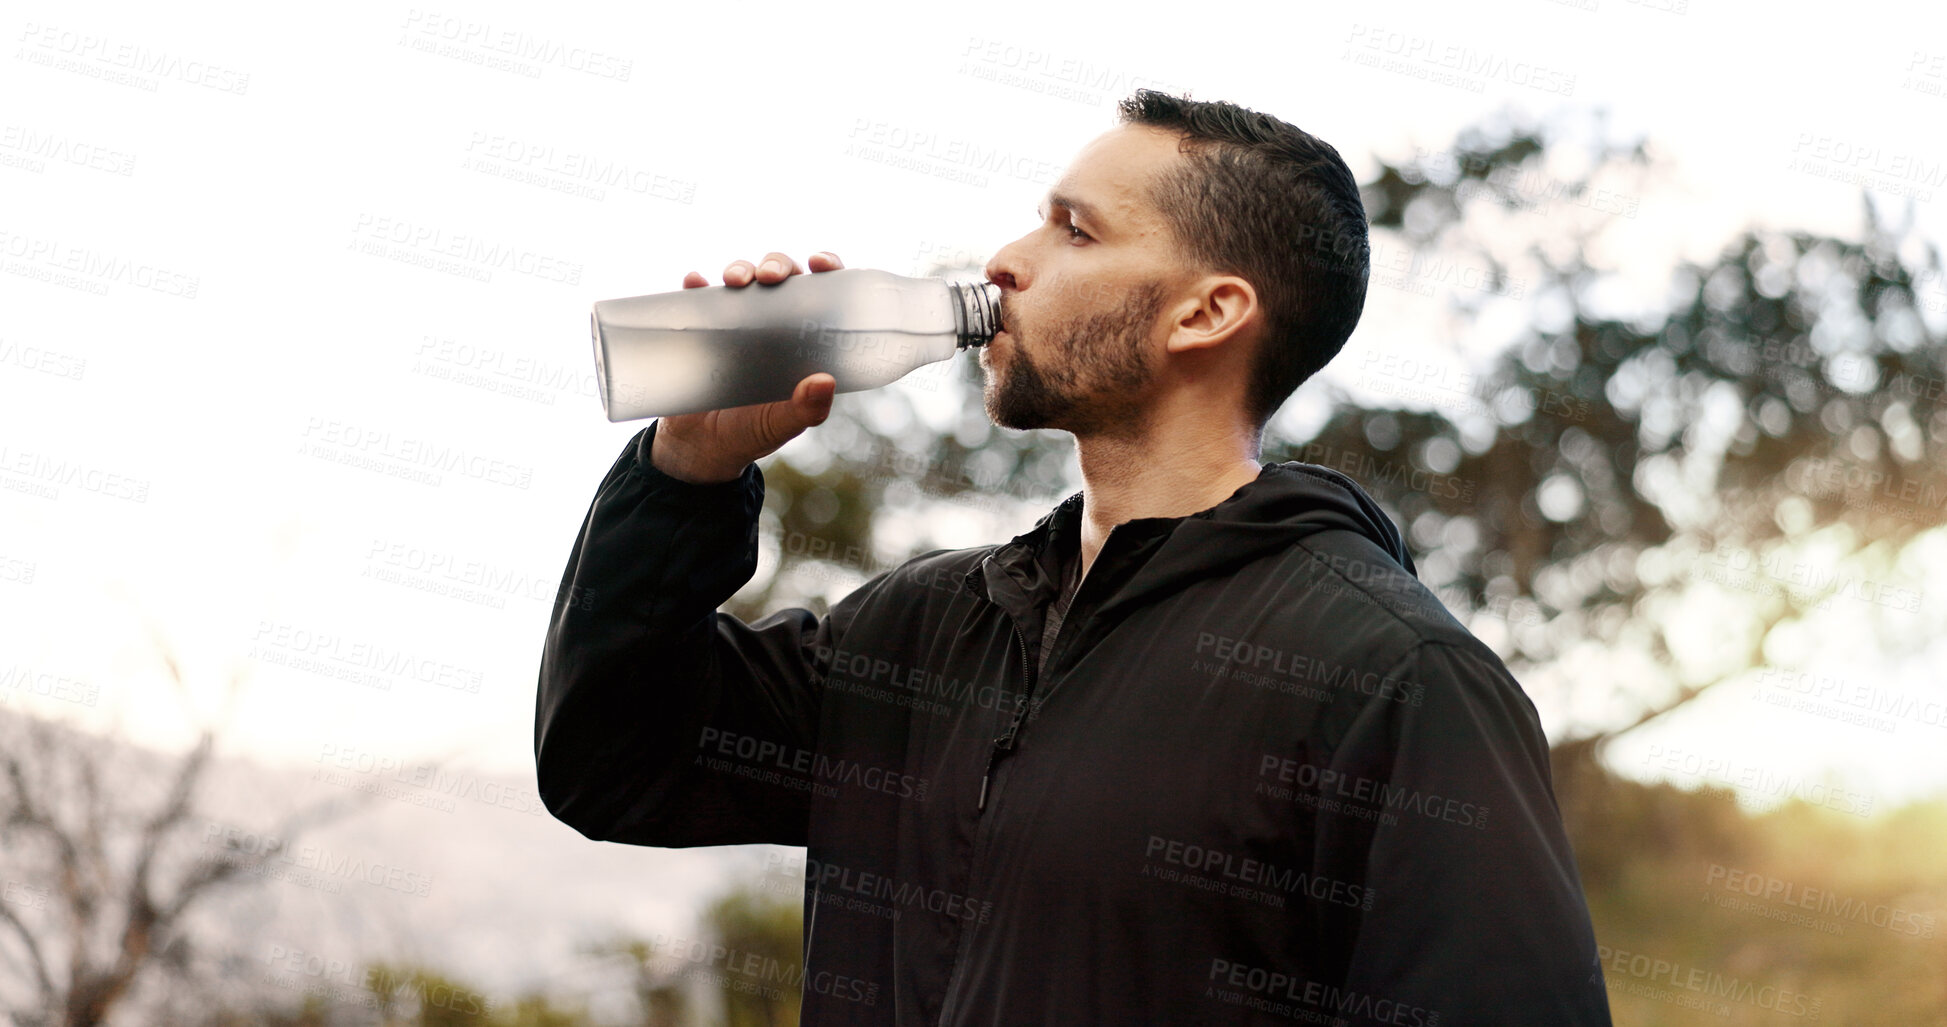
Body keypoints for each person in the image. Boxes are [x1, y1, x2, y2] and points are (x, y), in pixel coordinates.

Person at [535, 89, 1613, 1025]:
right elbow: (614, 764)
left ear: (1207, 312)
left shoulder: (1396, 680)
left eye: (1075, 231)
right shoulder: (919, 631)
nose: (1006, 259)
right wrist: (688, 474)